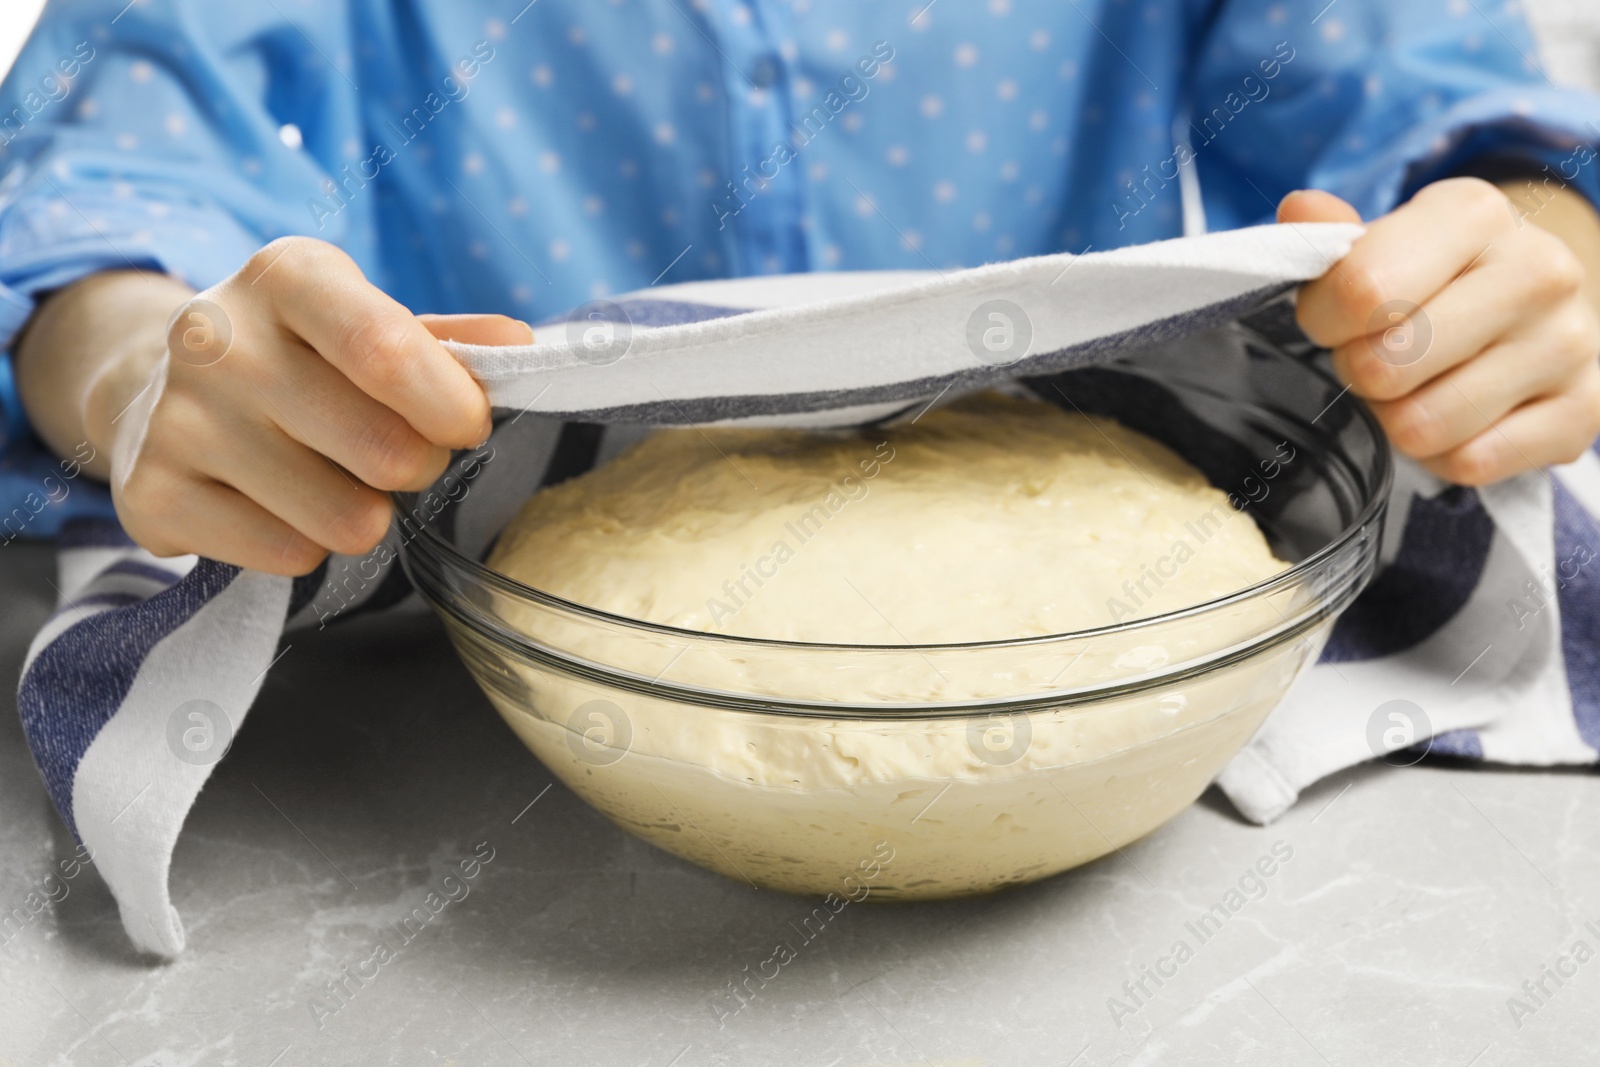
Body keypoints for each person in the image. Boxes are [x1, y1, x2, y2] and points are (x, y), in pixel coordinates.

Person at [1, 0, 1598, 576]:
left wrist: (1534, 258)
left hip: (1077, 615)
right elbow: (101, 207)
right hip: (448, 688)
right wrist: (145, 370)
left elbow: (1435, 99)